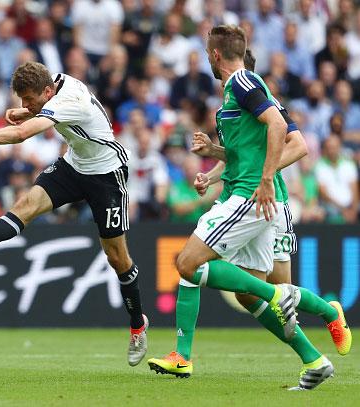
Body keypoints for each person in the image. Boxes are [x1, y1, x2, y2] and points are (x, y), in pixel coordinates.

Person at [146, 26, 351, 388]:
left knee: (189, 264)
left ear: (214, 55)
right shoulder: (234, 94)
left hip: (253, 196)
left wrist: (267, 179)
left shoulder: (243, 82)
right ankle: (314, 358)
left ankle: (185, 355)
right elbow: (244, 152)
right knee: (246, 292)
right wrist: (211, 165)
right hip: (246, 193)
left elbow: (285, 133)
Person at [0, 62, 148, 366]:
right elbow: (42, 110)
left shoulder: (69, 101)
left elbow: (20, 136)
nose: (24, 104)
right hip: (74, 164)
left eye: (28, 99)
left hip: (107, 174)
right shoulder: (53, 83)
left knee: (116, 258)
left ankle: (137, 325)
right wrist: (31, 110)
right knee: (25, 205)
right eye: (21, 99)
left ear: (46, 92)